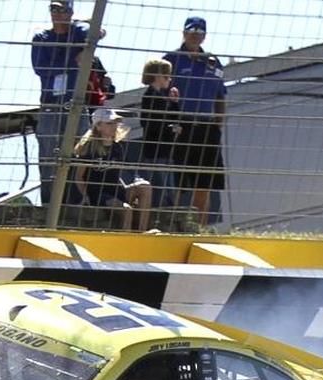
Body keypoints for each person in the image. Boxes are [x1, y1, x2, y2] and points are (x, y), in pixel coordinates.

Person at [31, 0, 98, 206]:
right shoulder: (42, 37)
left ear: (71, 12)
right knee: (49, 154)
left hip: (76, 103)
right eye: (54, 9)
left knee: (82, 150)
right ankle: (49, 204)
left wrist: (84, 25)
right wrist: (74, 59)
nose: (57, 13)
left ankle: (80, 201)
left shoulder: (77, 32)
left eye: (62, 9)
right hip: (51, 104)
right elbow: (42, 68)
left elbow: (97, 31)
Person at [163, 16, 226, 227]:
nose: (195, 36)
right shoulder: (171, 59)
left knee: (204, 183)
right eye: (191, 31)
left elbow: (221, 96)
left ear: (204, 36)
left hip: (207, 127)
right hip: (181, 126)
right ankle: (173, 227)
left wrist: (217, 124)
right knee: (178, 182)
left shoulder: (213, 62)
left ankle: (199, 228)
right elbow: (158, 90)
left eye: (199, 32)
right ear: (183, 33)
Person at [73, 108, 152, 230]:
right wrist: (85, 195)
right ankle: (125, 237)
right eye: (109, 123)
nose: (114, 126)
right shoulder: (89, 148)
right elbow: (79, 177)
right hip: (98, 193)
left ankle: (143, 231)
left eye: (115, 123)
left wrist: (127, 190)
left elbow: (116, 174)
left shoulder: (118, 147)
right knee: (126, 210)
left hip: (116, 189)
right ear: (98, 126)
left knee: (145, 186)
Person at [139, 58, 181, 211]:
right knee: (161, 193)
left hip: (164, 151)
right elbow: (149, 123)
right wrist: (171, 129)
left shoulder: (161, 97)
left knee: (169, 192)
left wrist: (174, 103)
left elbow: (171, 118)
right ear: (157, 76)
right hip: (155, 152)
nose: (169, 79)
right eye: (166, 76)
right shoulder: (150, 97)